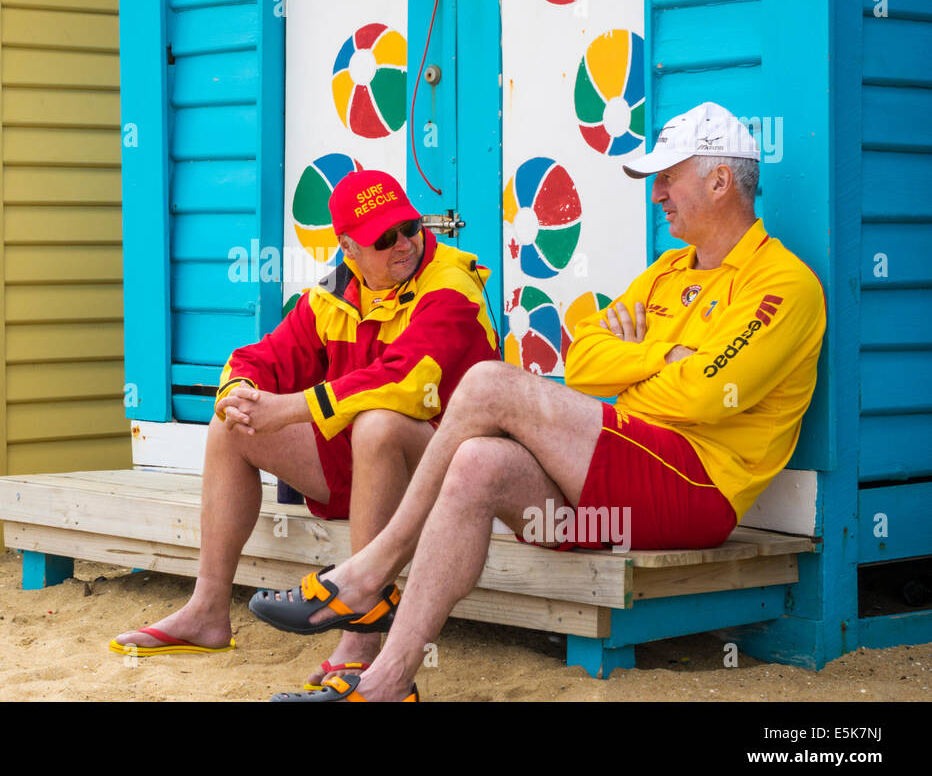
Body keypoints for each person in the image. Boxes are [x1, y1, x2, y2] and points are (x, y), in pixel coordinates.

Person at [252, 101, 828, 701]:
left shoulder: (784, 284)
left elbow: (709, 396)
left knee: (487, 382)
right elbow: (580, 362)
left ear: (718, 180)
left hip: (697, 488)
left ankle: (370, 570)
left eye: (667, 177)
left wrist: (634, 371)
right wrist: (664, 356)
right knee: (479, 461)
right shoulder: (667, 271)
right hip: (621, 475)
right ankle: (387, 682)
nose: (657, 193)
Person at [109, 169, 500, 689]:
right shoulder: (333, 294)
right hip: (366, 470)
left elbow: (406, 382)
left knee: (380, 422)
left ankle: (360, 640)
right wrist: (238, 393)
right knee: (232, 425)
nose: (404, 244)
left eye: (410, 227)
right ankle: (207, 611)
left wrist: (291, 408)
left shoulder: (452, 282)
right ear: (348, 249)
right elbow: (257, 358)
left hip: (449, 482)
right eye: (384, 238)